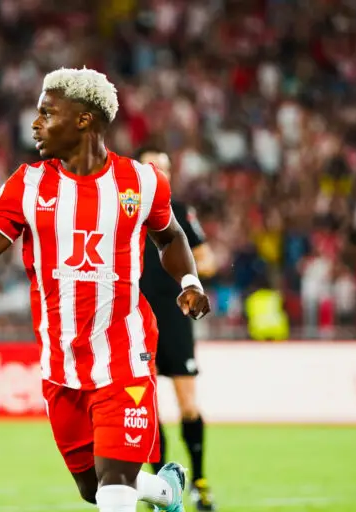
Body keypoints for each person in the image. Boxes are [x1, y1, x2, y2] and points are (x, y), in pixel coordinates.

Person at [0, 67, 211, 512]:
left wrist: (189, 281)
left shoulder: (141, 181)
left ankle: (143, 487)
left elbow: (170, 236)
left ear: (83, 119)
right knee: (93, 488)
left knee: (114, 487)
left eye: (46, 113)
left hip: (124, 358)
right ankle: (166, 491)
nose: (35, 124)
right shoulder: (28, 185)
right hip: (62, 366)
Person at [137, 148, 217, 511]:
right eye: (153, 167)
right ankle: (160, 488)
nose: (161, 173)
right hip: (137, 321)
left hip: (174, 319)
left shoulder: (180, 212)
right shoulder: (125, 212)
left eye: (165, 168)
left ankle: (199, 482)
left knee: (188, 404)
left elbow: (207, 259)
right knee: (147, 410)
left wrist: (192, 278)